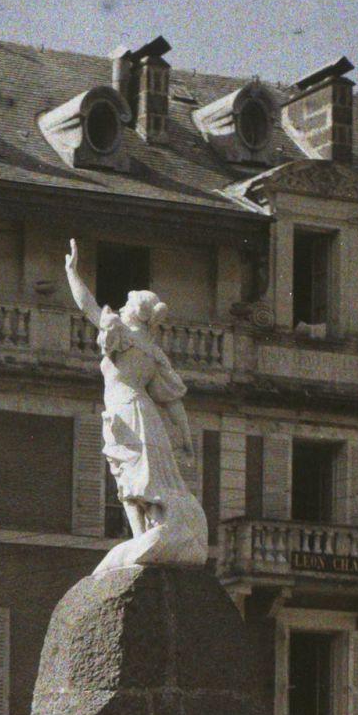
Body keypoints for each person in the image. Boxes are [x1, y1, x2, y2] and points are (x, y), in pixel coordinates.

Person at [63, 241, 208, 573]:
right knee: (149, 479)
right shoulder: (152, 351)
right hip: (146, 415)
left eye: (128, 302)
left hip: (125, 413)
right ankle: (148, 537)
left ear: (133, 311)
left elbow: (88, 306)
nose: (123, 304)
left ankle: (143, 537)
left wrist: (72, 272)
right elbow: (173, 402)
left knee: (128, 478)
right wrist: (185, 438)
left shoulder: (120, 333)